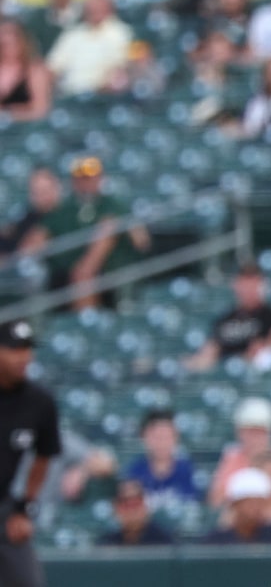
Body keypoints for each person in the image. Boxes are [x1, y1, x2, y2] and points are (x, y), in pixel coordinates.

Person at [23, 156, 152, 310]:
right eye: (81, 178)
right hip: (66, 275)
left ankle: (87, 320)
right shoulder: (66, 208)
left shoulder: (112, 204)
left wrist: (85, 268)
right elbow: (34, 240)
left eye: (90, 177)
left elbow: (142, 241)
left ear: (99, 178)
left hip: (112, 272)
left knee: (105, 234)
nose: (86, 182)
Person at [0, 320, 59, 587]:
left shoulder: (39, 402)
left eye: (27, 349)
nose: (24, 357)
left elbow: (44, 455)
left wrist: (24, 508)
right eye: (15, 349)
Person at [183, 263, 271, 372]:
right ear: (237, 286)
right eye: (245, 286)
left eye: (253, 285)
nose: (248, 291)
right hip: (224, 372)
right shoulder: (224, 321)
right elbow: (211, 349)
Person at [45, 0, 132, 95]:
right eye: (91, 9)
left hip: (104, 94)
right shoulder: (72, 34)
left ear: (109, 9)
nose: (94, 11)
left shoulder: (122, 33)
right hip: (70, 93)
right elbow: (52, 67)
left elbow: (125, 67)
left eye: (99, 7)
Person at [208, 397, 271, 507]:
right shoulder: (232, 458)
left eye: (260, 432)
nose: (255, 438)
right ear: (239, 432)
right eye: (250, 431)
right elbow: (216, 501)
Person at [121, 410, 199, 510]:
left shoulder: (188, 470)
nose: (161, 443)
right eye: (156, 437)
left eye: (166, 436)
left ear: (176, 437)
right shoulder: (134, 472)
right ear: (144, 437)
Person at [204, 468, 271, 544]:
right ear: (235, 505)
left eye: (260, 503)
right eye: (250, 503)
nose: (256, 508)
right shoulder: (216, 540)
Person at [0, 169, 61, 259]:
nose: (41, 196)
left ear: (56, 188)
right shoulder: (28, 218)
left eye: (44, 191)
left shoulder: (66, 213)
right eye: (36, 192)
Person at [0, 21, 52, 122]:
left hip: (22, 129)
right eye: (3, 45)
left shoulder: (35, 71)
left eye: (12, 43)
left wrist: (10, 114)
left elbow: (41, 110)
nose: (7, 49)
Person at [97, 480, 175, 546]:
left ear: (145, 506)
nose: (132, 511)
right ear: (116, 508)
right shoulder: (106, 544)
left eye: (136, 503)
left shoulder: (165, 541)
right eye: (126, 505)